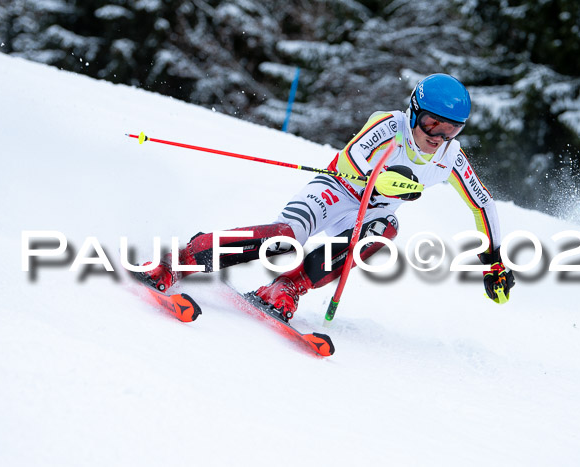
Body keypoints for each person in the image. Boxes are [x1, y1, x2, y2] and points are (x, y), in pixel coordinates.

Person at [140, 73, 515, 320]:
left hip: (366, 215)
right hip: (336, 192)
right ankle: (181, 260)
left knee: (386, 229)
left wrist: (494, 261)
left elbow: (483, 203)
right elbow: (352, 158)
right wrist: (381, 179)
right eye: (433, 122)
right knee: (284, 239)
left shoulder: (450, 156)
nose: (438, 135)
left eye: (451, 128)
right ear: (415, 111)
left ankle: (285, 288)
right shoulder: (390, 125)